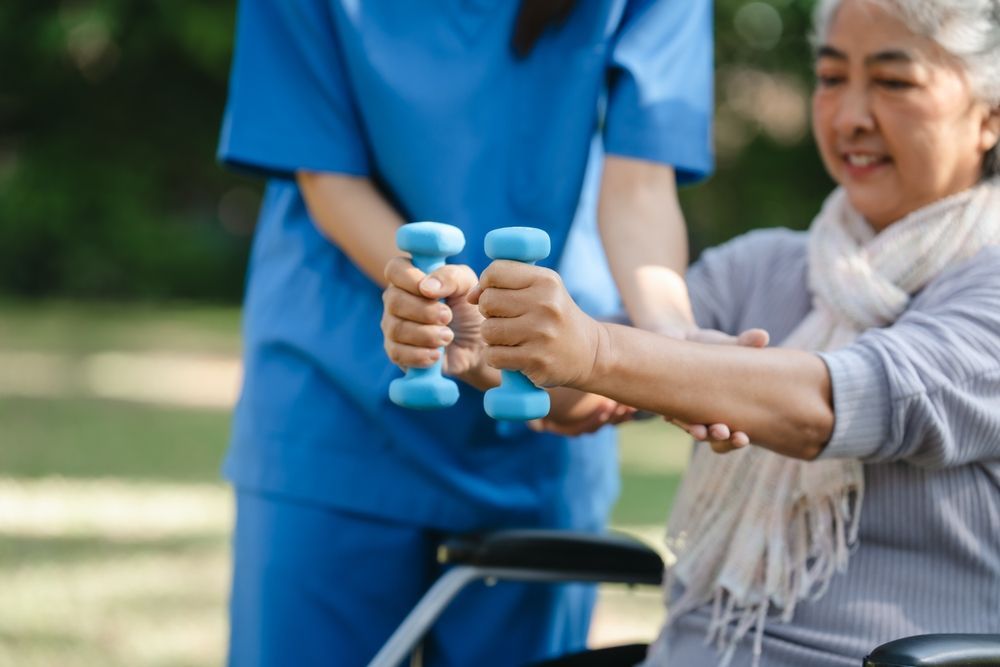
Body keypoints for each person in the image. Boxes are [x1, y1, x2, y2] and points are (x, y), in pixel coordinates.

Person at [382, 0, 1000, 665]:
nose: (850, 116)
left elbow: (830, 403)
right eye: (829, 78)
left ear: (989, 116)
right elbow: (581, 394)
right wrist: (480, 337)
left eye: (893, 82)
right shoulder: (762, 267)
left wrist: (598, 352)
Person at [215, 1, 734, 665]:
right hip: (338, 394)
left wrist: (671, 345)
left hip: (542, 400)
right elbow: (327, 177)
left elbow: (639, 186)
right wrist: (452, 318)